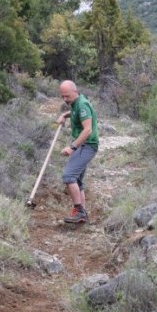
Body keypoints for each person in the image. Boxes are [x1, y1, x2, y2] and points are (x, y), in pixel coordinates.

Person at [56, 79, 98, 224]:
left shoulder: (82, 104)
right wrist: (64, 115)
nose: (65, 99)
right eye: (62, 96)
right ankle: (82, 214)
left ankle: (79, 211)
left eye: (67, 96)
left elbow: (87, 130)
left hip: (86, 145)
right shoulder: (76, 103)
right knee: (77, 181)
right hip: (82, 146)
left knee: (68, 176)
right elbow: (74, 111)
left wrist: (72, 147)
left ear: (75, 92)